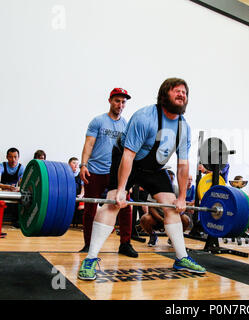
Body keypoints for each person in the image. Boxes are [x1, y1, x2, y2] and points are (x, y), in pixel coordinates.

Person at [78, 78, 206, 281]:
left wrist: (182, 197)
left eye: (185, 92)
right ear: (164, 95)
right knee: (113, 203)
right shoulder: (144, 117)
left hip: (154, 168)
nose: (182, 94)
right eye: (177, 91)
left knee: (172, 206)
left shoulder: (184, 127)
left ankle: (181, 258)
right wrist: (121, 190)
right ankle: (90, 258)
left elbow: (183, 165)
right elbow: (128, 155)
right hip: (127, 160)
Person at [79, 88, 136, 258]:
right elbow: (89, 144)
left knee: (125, 207)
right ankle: (89, 244)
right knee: (90, 209)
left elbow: (130, 152)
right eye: (117, 101)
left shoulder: (126, 125)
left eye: (123, 102)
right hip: (95, 170)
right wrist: (83, 165)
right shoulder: (98, 121)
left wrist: (129, 180)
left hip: (117, 174)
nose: (120, 104)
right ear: (110, 101)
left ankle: (125, 243)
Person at [0, 148, 25, 228]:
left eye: (15, 157)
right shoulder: (2, 166)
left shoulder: (21, 168)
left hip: (14, 192)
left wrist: (17, 188)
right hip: (2, 190)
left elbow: (23, 184)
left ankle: (16, 221)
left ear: (18, 157)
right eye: (10, 157)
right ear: (7, 157)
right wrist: (5, 187)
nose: (13, 159)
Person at [68, 157, 85, 226]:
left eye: (77, 164)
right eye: (74, 163)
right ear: (69, 164)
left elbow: (83, 188)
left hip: (77, 195)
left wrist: (81, 194)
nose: (76, 165)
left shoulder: (80, 174)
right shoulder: (66, 173)